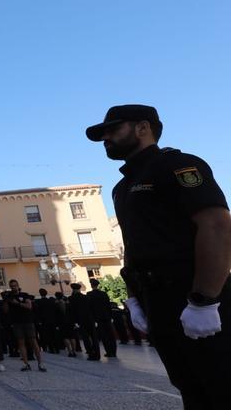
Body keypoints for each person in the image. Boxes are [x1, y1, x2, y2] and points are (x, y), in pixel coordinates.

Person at [87, 105, 231, 408]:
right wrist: (134, 298)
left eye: (114, 129)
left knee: (219, 383)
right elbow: (133, 246)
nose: (106, 138)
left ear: (143, 127)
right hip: (157, 301)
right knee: (189, 384)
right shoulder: (122, 187)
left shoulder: (178, 165)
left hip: (192, 295)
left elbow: (216, 225)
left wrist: (204, 299)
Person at [4, 280, 46, 372]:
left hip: (28, 321)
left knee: (33, 342)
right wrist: (6, 301)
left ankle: (40, 363)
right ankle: (26, 364)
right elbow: (6, 311)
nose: (13, 287)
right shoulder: (9, 297)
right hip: (16, 323)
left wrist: (17, 303)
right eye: (11, 286)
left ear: (18, 286)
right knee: (21, 343)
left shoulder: (25, 295)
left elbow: (29, 306)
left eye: (15, 286)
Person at [87, 278, 117, 358]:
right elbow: (108, 305)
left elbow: (90, 308)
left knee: (104, 336)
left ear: (91, 285)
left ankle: (109, 352)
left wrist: (93, 319)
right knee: (111, 335)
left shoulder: (89, 294)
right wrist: (111, 316)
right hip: (107, 317)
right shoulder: (104, 293)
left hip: (98, 318)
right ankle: (114, 352)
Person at [34, 288, 59, 354]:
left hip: (44, 321)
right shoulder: (50, 301)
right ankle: (57, 348)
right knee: (54, 334)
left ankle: (51, 348)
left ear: (40, 294)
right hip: (52, 320)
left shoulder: (38, 302)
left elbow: (38, 312)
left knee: (47, 335)